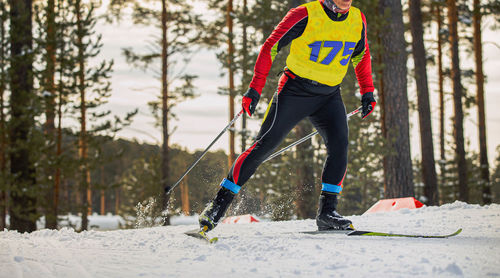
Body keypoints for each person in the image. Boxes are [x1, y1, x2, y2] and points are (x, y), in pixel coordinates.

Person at [199, 0, 376, 232]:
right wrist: (255, 88)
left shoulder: (357, 19)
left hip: (329, 95)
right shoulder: (304, 14)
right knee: (264, 146)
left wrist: (367, 91)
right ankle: (217, 206)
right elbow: (270, 46)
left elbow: (361, 55)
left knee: (340, 146)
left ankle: (327, 213)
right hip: (294, 91)